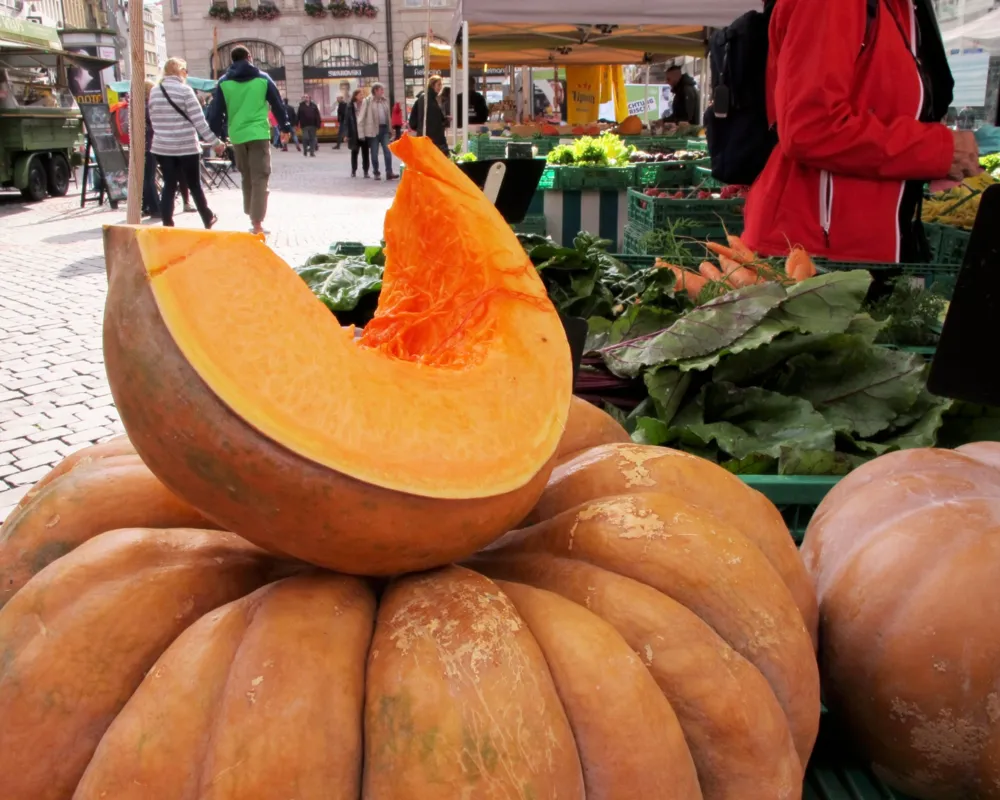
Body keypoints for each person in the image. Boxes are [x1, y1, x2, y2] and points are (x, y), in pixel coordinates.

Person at [743, 0, 976, 264]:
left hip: (867, 244)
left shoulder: (902, 9)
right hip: (815, 254)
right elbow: (810, 127)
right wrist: (938, 150)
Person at [208, 44, 290, 235]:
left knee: (246, 175)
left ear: (233, 60)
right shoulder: (262, 78)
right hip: (258, 133)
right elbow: (277, 104)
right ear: (249, 57)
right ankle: (257, 223)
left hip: (237, 135)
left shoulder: (223, 82)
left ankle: (250, 212)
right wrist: (285, 127)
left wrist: (215, 138)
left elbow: (215, 112)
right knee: (260, 176)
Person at [148, 57, 225, 229]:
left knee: (169, 183)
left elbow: (154, 119)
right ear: (180, 71)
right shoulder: (185, 91)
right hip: (186, 146)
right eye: (185, 70)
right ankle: (207, 217)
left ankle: (167, 222)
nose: (186, 74)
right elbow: (199, 122)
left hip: (162, 146)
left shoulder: (154, 91)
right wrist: (215, 142)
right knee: (194, 184)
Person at [359, 82, 397, 181]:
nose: (383, 92)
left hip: (384, 129)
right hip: (373, 131)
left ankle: (389, 172)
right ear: (375, 90)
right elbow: (361, 118)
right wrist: (361, 134)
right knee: (374, 153)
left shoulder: (384, 101)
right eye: (381, 90)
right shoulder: (367, 101)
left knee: (387, 151)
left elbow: (388, 117)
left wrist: (391, 129)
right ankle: (376, 172)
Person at [409, 75, 448, 155]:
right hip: (431, 138)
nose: (440, 87)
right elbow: (433, 121)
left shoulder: (428, 98)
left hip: (428, 137)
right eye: (438, 84)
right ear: (432, 85)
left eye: (441, 85)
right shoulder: (427, 99)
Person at [141, 80, 160, 218]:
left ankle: (146, 205)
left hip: (140, 145)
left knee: (145, 177)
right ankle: (154, 206)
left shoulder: (136, 106)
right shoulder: (148, 106)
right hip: (150, 144)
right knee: (149, 177)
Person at [343, 87, 370, 178]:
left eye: (363, 94)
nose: (362, 96)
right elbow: (346, 121)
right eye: (360, 94)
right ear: (355, 96)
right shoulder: (350, 106)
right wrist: (346, 134)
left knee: (365, 153)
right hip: (354, 132)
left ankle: (366, 171)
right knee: (354, 152)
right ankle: (353, 170)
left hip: (364, 132)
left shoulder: (366, 104)